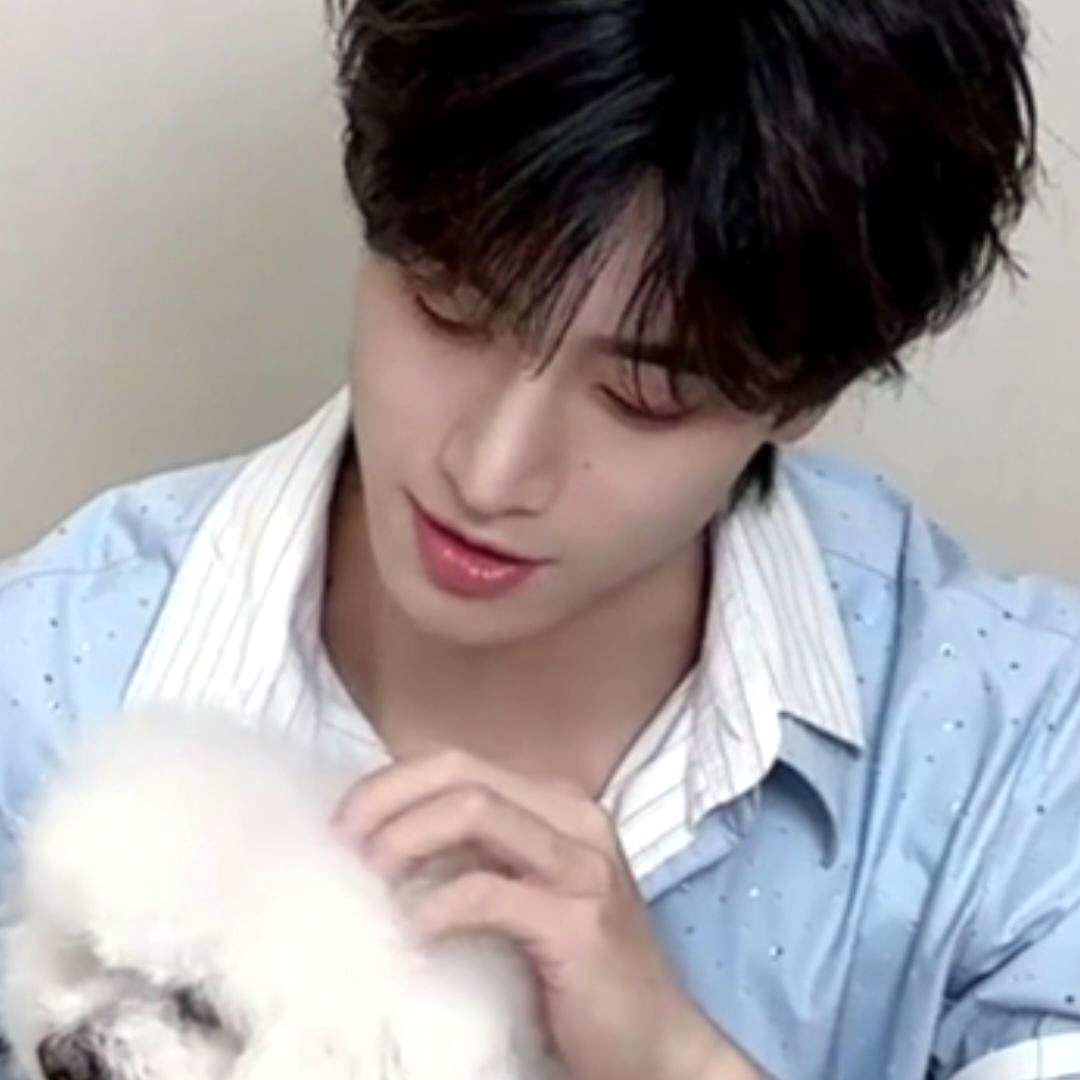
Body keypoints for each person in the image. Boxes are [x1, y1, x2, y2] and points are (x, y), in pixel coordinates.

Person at [0, 1, 1074, 1077]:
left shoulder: (1012, 756)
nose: (489, 471)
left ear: (808, 392)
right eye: (449, 310)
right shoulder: (42, 680)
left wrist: (676, 1062)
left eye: (645, 394)